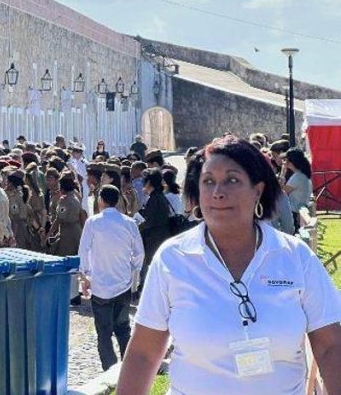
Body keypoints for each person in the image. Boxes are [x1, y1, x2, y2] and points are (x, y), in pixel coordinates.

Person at [117, 135, 341, 394]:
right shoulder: (173, 259)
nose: (218, 193)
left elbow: (329, 346)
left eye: (232, 180)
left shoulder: (295, 257)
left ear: (257, 190)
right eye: (208, 182)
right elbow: (144, 354)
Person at [79, 185, 143, 371]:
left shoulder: (93, 222)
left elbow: (83, 250)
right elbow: (139, 253)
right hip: (123, 282)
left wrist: (84, 276)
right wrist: (132, 269)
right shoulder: (129, 223)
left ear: (101, 200)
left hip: (99, 285)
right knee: (123, 329)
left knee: (104, 332)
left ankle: (109, 369)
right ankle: (127, 367)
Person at [137, 168, 173, 284]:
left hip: (154, 238)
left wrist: (136, 228)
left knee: (153, 268)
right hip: (161, 235)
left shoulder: (154, 199)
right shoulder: (160, 196)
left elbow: (149, 221)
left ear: (148, 183)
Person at [283, 147, 313, 231]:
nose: (285, 162)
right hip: (299, 211)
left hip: (295, 213)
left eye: (286, 160)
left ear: (291, 161)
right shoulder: (302, 175)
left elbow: (282, 193)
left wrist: (283, 171)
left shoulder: (298, 177)